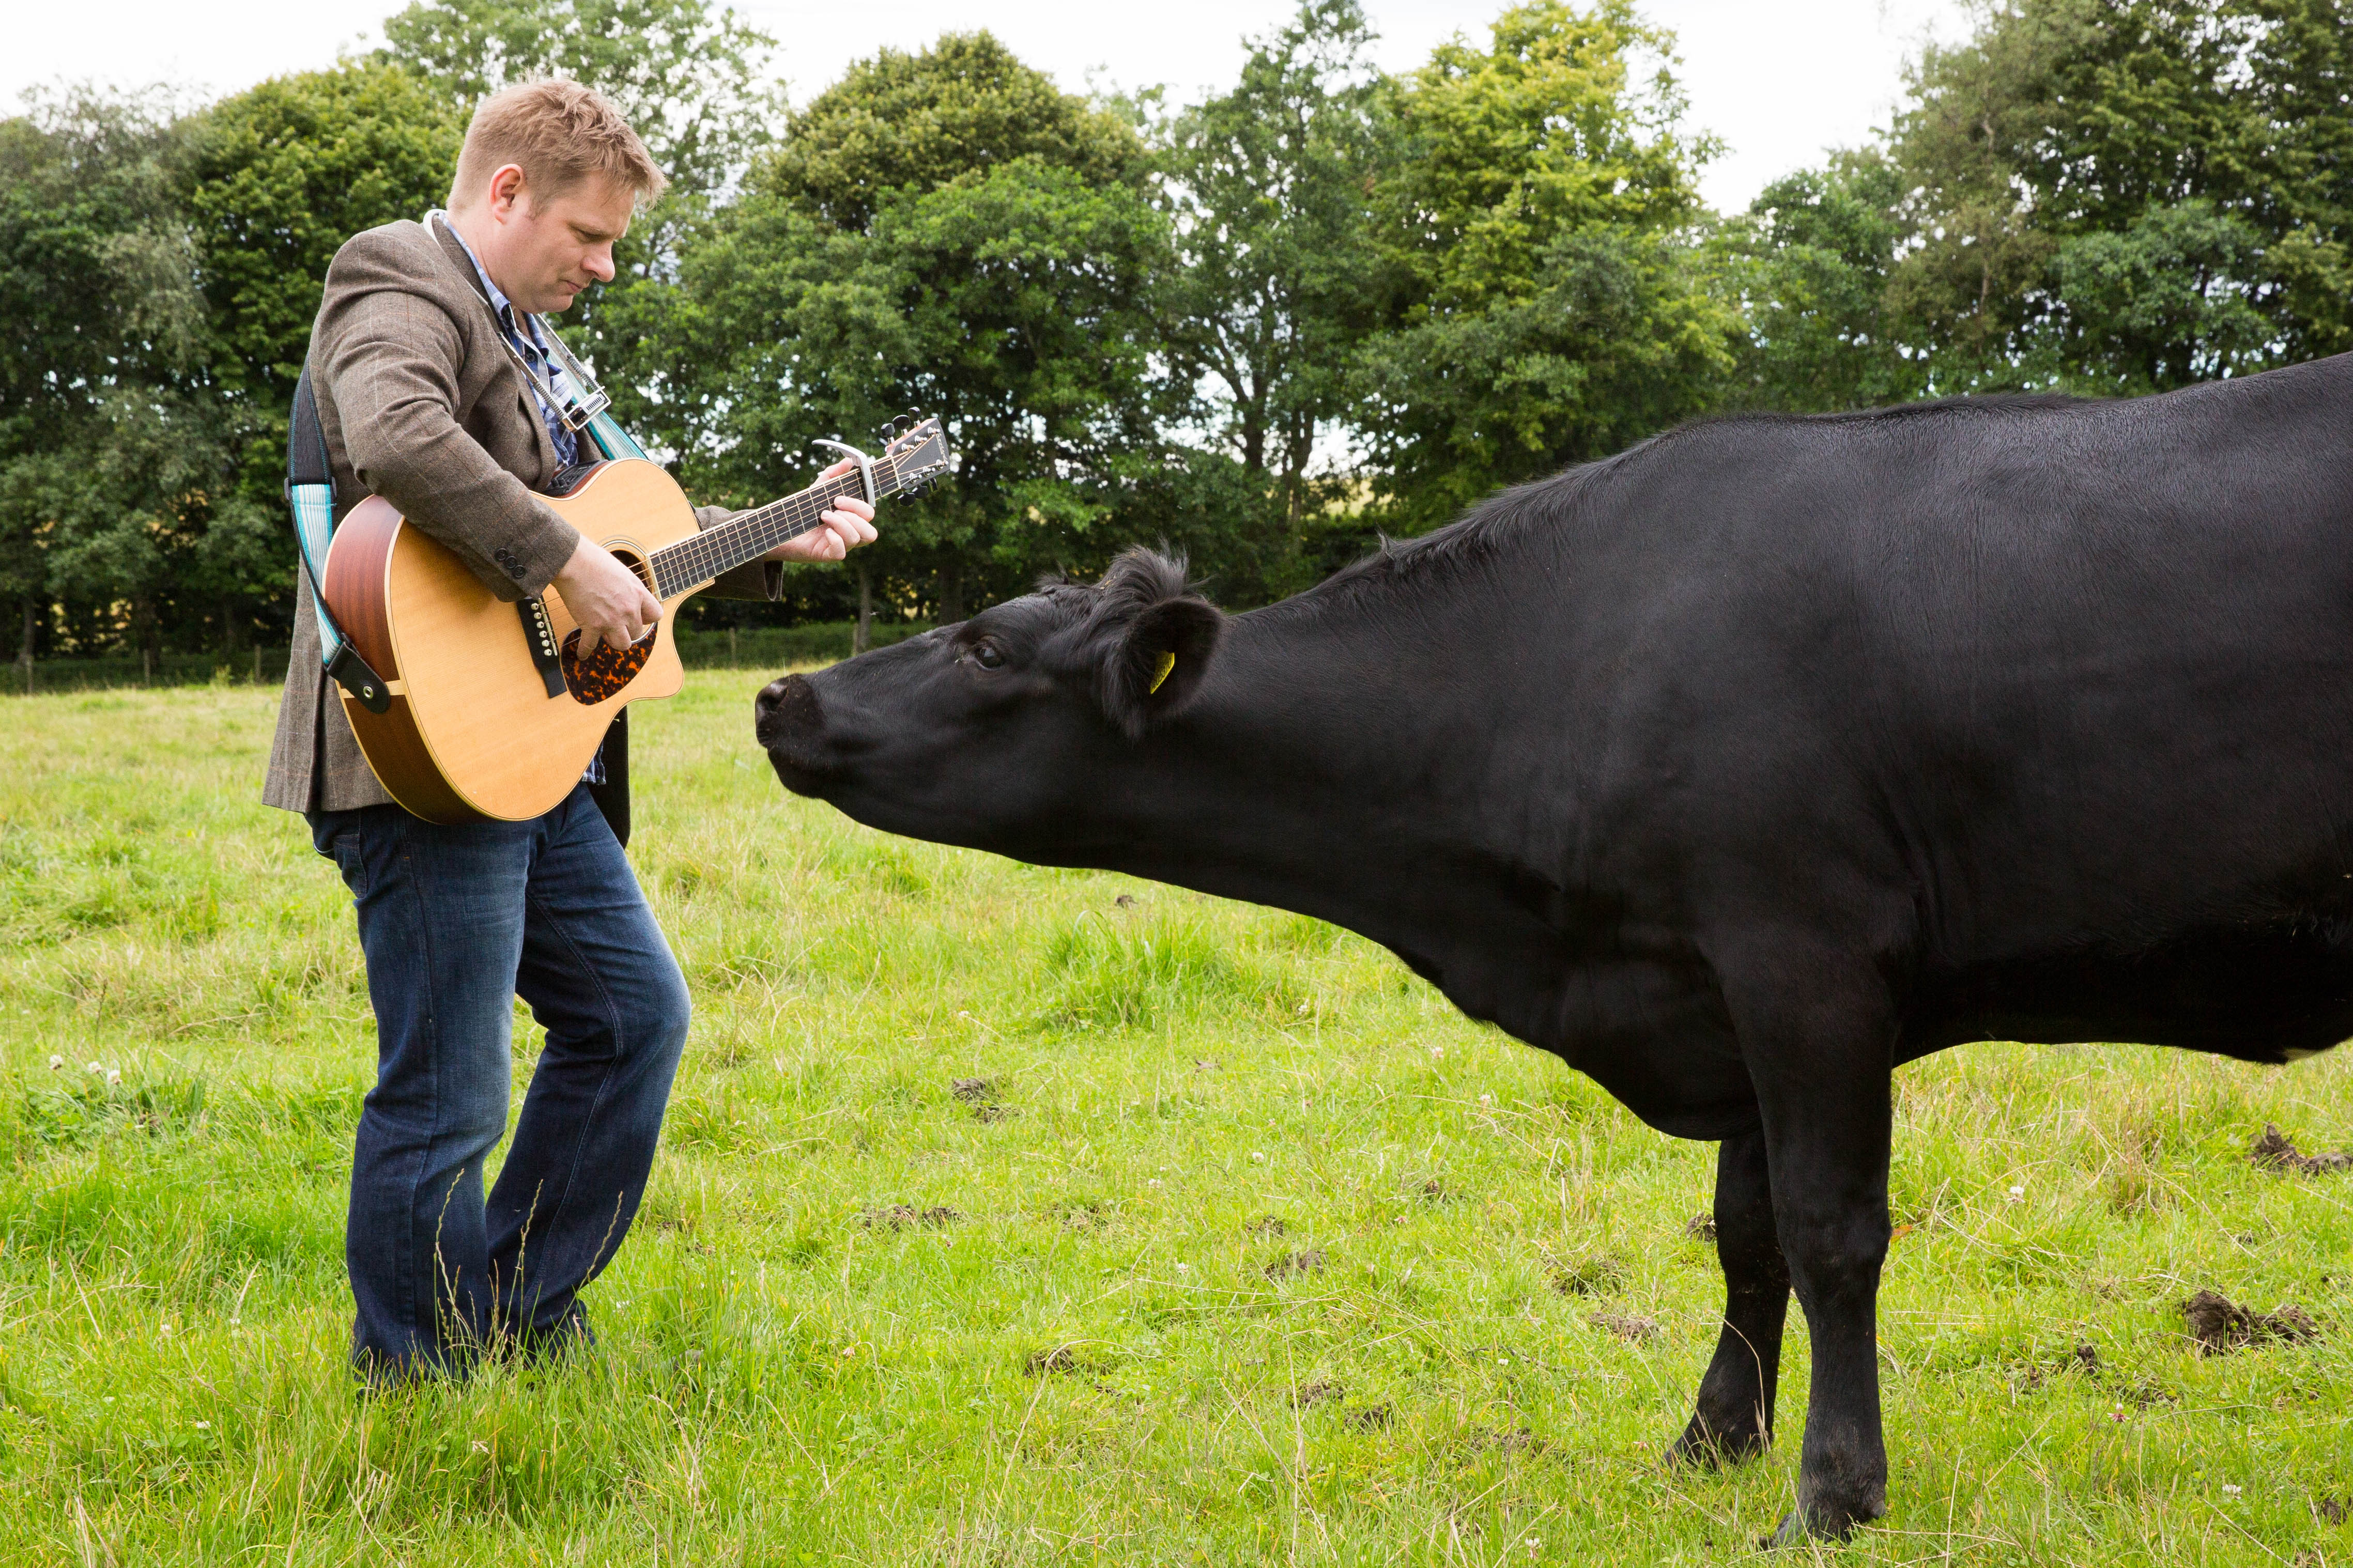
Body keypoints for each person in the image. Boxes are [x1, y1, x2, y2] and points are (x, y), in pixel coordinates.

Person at [260, 79, 879, 1383]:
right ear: (505, 194)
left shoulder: (541, 346)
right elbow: (396, 435)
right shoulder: (396, 281)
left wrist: (786, 533)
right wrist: (560, 556)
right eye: (588, 238)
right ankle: (417, 1374)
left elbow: (626, 542)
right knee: (451, 1091)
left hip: (533, 757)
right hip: (417, 748)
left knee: (631, 1017)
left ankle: (517, 1314)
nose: (603, 265)